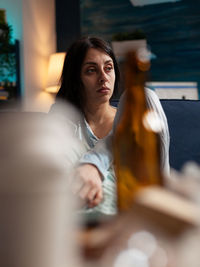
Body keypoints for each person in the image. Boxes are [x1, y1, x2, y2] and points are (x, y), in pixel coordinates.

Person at [50, 36, 170, 219]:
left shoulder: (135, 117)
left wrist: (94, 164)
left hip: (143, 212)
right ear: (76, 78)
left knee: (144, 95)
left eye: (108, 68)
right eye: (91, 70)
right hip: (85, 221)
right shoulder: (65, 122)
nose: (103, 78)